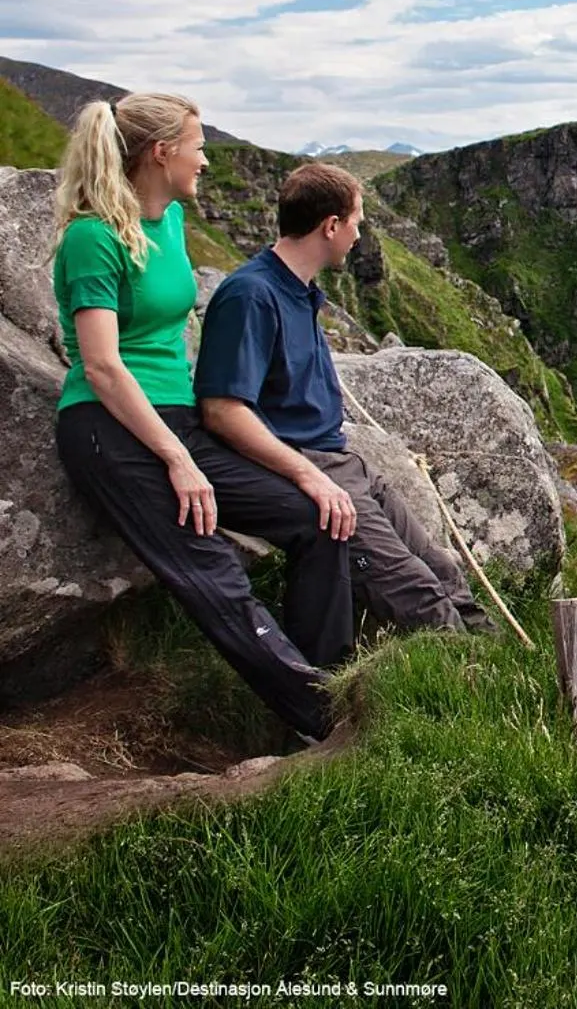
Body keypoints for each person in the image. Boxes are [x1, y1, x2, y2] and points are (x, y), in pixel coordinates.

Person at [50, 94, 352, 741]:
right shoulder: (91, 236)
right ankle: (323, 725)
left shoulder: (171, 220)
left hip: (178, 419)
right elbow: (103, 367)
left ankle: (334, 685)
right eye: (197, 146)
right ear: (162, 153)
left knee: (317, 519)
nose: (205, 161)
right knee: (214, 573)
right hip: (112, 430)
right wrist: (177, 458)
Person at [196, 162, 493, 636]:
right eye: (356, 221)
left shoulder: (299, 290)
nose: (359, 234)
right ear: (330, 226)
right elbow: (222, 410)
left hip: (341, 462)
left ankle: (511, 669)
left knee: (443, 570)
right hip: (305, 464)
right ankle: (467, 689)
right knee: (418, 594)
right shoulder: (251, 295)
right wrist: (310, 477)